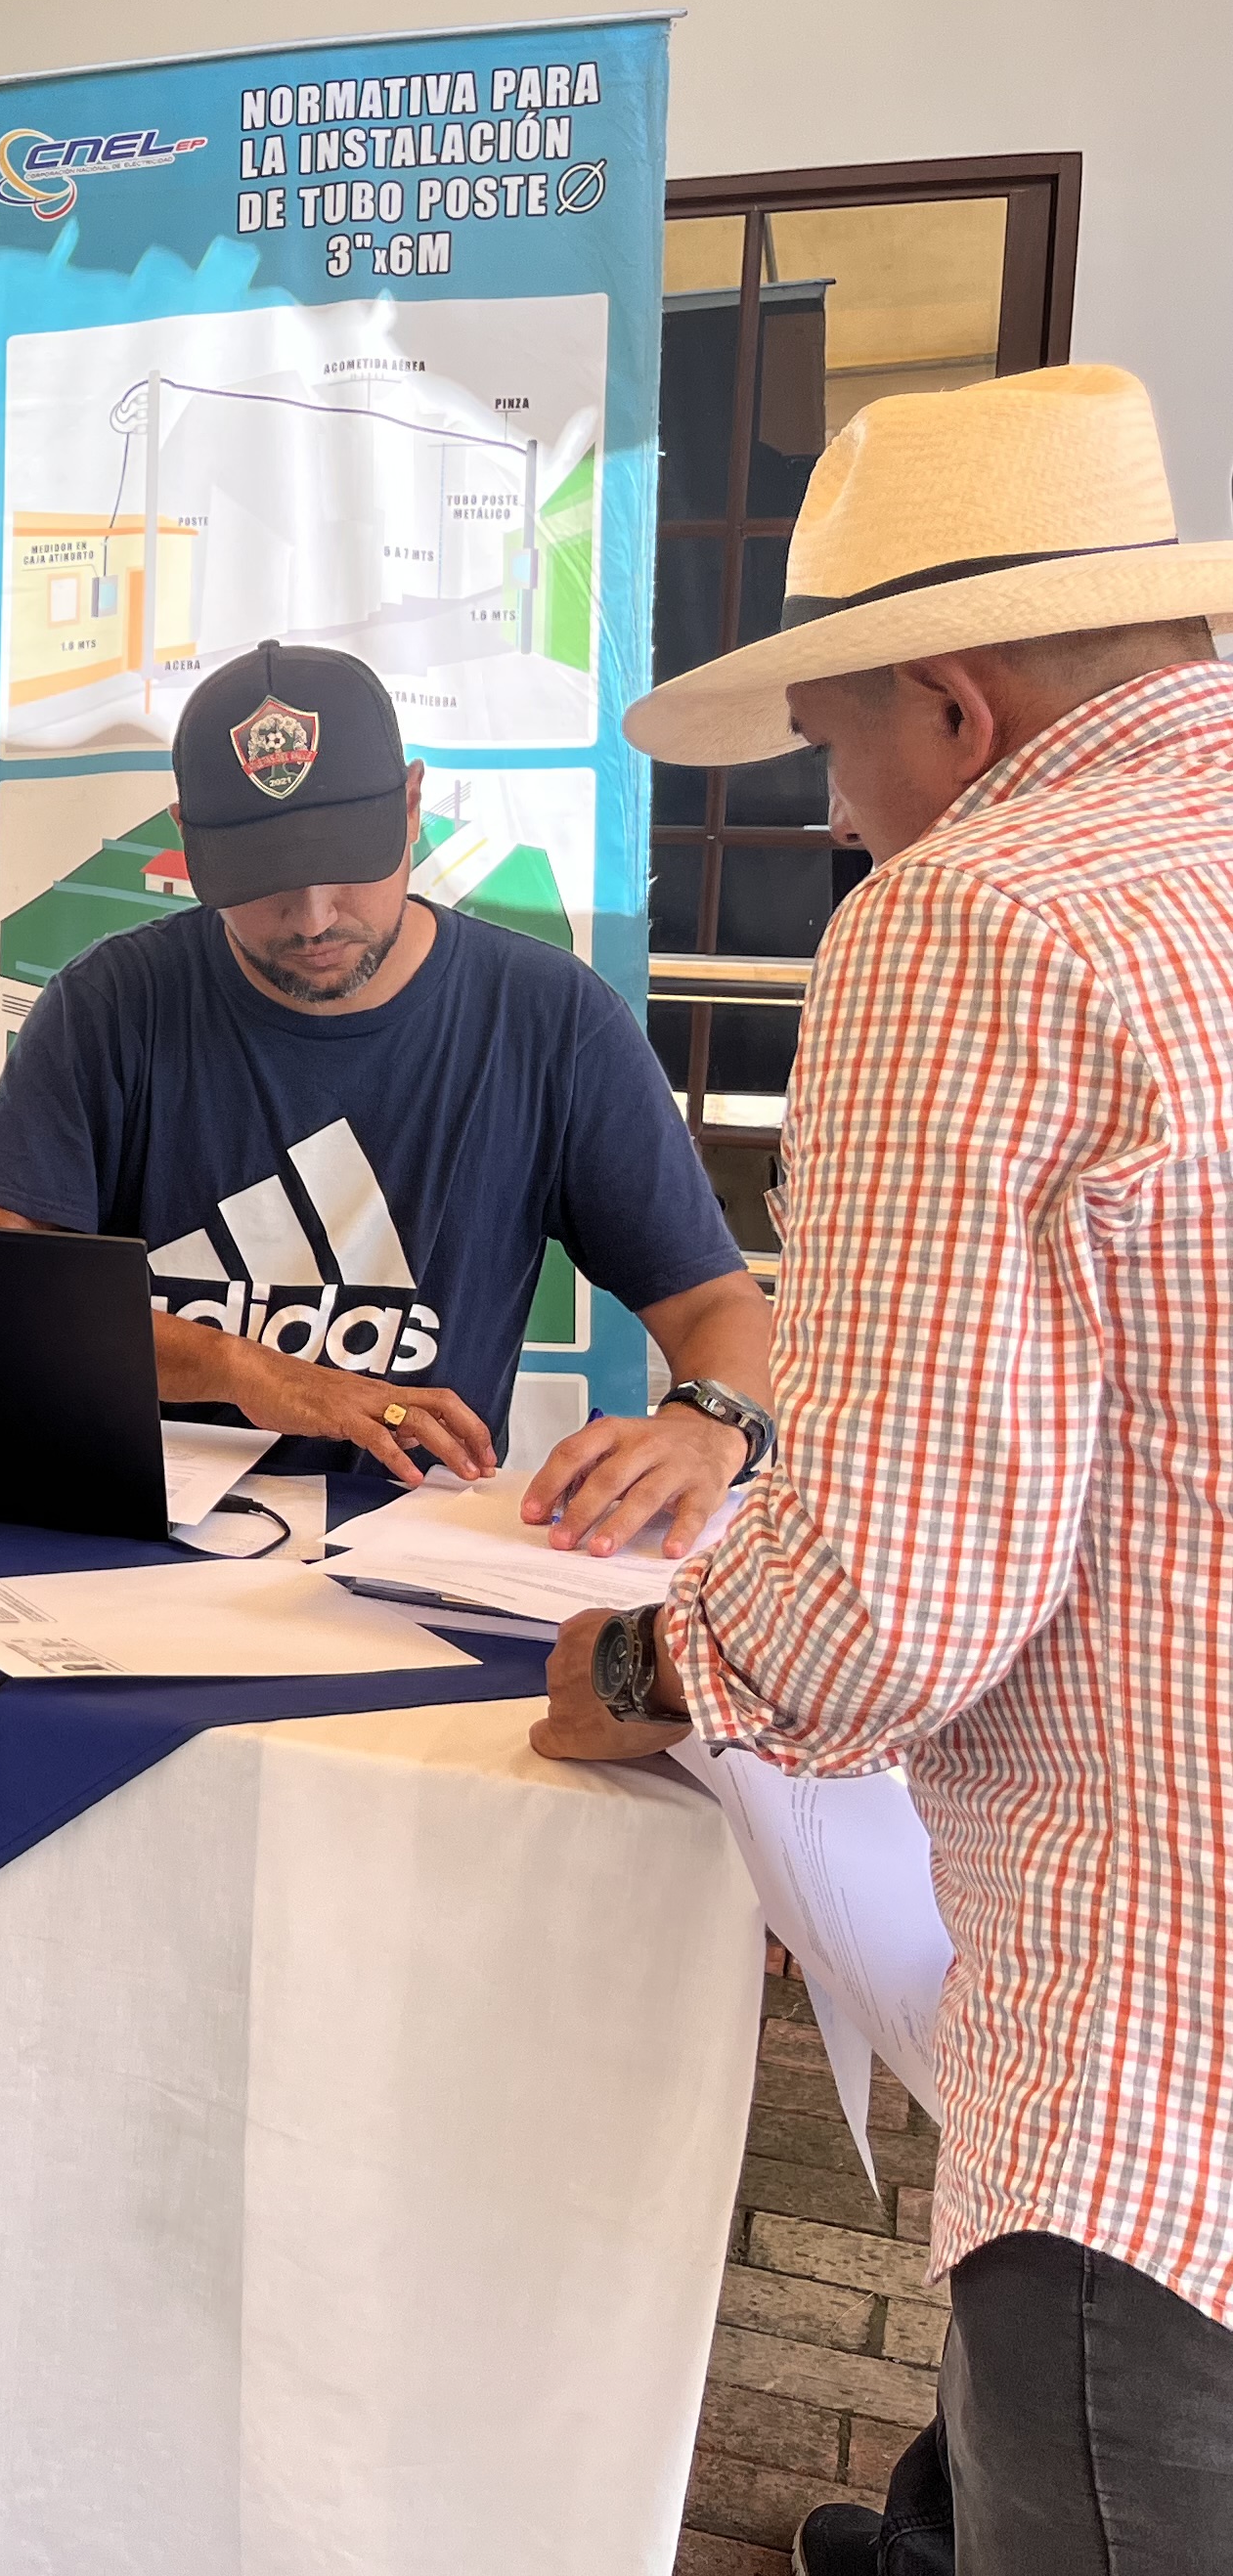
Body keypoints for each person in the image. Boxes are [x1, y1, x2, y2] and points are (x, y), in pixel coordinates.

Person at [529, 365, 1233, 2576]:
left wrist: (642, 1674)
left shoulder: (977, 920)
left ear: (952, 703)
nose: (840, 819)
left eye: (835, 748)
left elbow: (890, 1600)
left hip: (1163, 2058)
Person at [0, 639, 774, 1532]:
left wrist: (708, 1423)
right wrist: (245, 1371)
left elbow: (715, 1302)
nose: (313, 917)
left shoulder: (551, 1020)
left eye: (346, 860)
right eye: (263, 876)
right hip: (132, 1523)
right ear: (188, 839)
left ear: (412, 807)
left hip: (404, 1543)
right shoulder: (113, 1002)